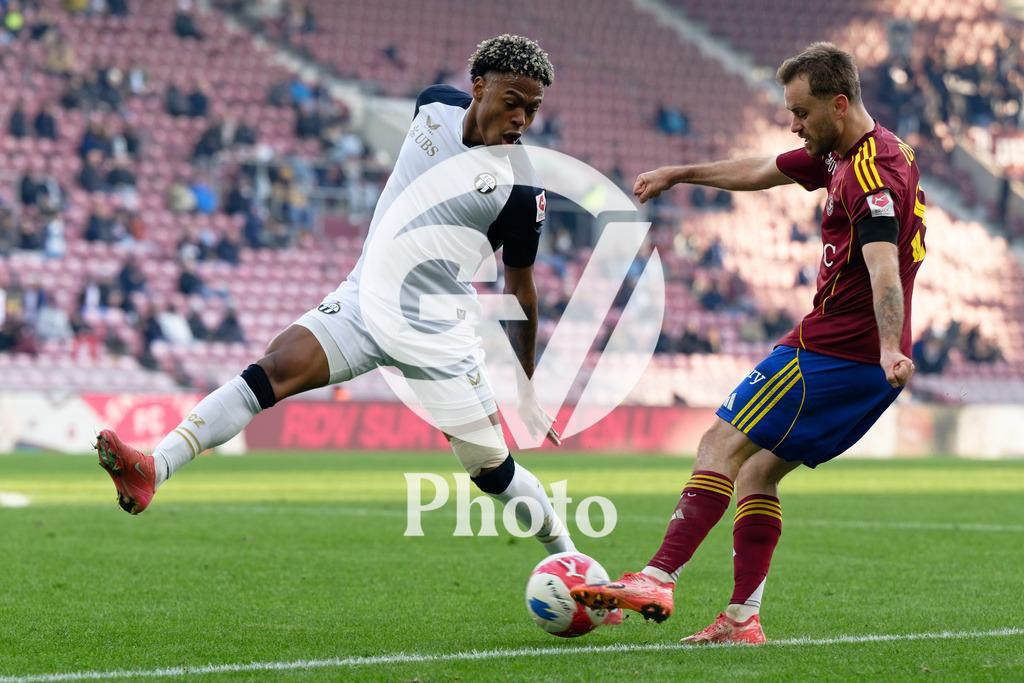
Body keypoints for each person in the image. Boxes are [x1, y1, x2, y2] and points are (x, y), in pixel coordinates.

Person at [96, 34, 579, 558]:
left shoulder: (522, 190)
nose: (521, 121)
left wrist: (527, 388)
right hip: (365, 302)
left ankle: (571, 558)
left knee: (492, 473)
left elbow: (521, 291)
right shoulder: (434, 105)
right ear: (479, 88)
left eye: (531, 110)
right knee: (272, 369)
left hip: (437, 332)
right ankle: (153, 469)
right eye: (512, 103)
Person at [570, 42, 926, 644]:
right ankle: (741, 619)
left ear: (838, 105)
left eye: (802, 112)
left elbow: (884, 266)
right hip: (864, 364)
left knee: (719, 441)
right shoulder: (850, 151)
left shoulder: (870, 173)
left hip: (833, 352)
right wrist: (681, 173)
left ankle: (658, 576)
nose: (794, 123)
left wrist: (890, 344)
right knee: (758, 473)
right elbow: (764, 170)